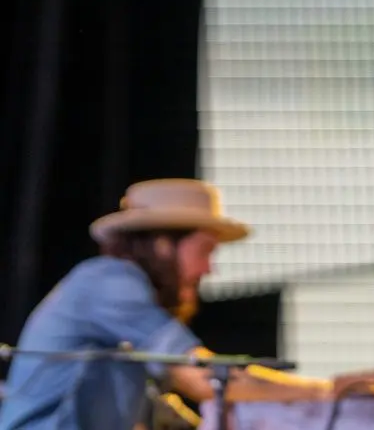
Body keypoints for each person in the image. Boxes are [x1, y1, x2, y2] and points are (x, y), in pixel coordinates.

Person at [0, 179, 331, 430]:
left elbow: (158, 403)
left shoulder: (120, 302)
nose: (208, 269)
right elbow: (204, 379)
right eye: (205, 251)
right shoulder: (110, 281)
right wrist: (330, 393)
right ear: (161, 245)